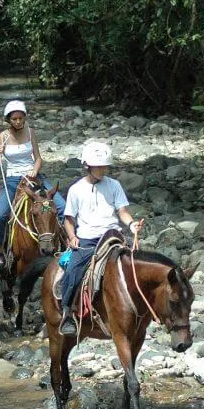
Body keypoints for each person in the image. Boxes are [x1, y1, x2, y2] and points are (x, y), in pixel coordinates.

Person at [59, 141, 141, 336]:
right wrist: (72, 237)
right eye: (99, 166)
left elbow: (122, 211)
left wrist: (132, 225)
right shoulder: (76, 189)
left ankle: (142, 308)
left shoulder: (114, 185)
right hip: (87, 238)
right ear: (88, 166)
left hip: (112, 234)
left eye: (105, 166)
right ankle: (67, 313)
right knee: (73, 271)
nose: (104, 169)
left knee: (137, 265)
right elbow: (68, 220)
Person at [0, 100, 66, 270]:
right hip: (13, 179)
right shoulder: (2, 137)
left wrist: (35, 170)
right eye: (14, 119)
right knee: (0, 216)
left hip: (34, 176)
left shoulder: (31, 133)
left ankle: (66, 243)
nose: (17, 121)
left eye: (20, 118)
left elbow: (38, 157)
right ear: (8, 120)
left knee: (61, 205)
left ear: (24, 118)